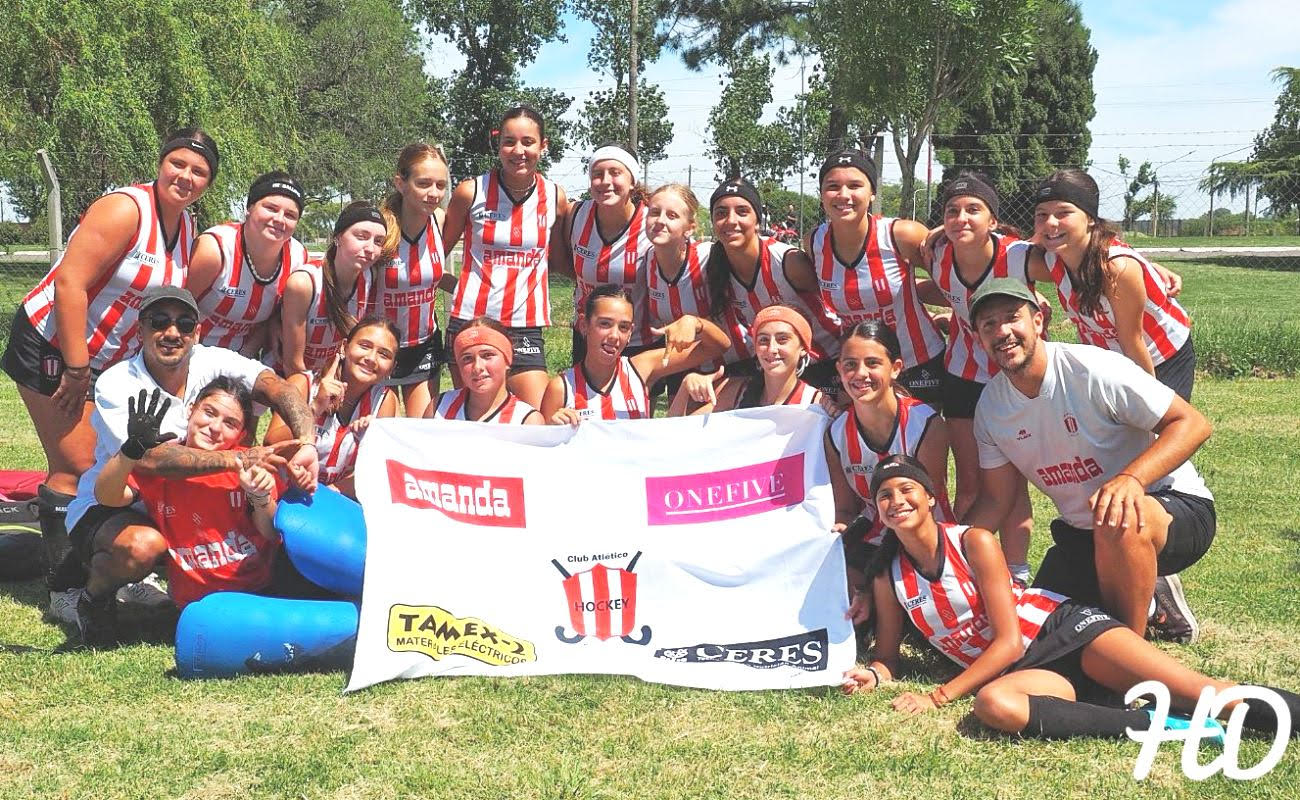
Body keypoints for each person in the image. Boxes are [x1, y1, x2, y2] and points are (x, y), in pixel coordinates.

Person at [842, 454, 1300, 744]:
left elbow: (1007, 641)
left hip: (1063, 631)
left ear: (929, 497)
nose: (896, 500)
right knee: (995, 706)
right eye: (885, 495)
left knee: (1209, 696)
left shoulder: (972, 541)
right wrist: (875, 674)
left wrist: (939, 696)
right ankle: (1159, 725)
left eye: (906, 489)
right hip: (1024, 671)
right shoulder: (889, 575)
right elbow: (888, 656)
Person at [2, 128, 217, 608]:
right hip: (53, 345)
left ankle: (116, 568)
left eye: (199, 171)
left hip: (106, 360)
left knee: (114, 461)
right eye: (178, 163)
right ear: (161, 162)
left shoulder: (185, 228)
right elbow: (70, 283)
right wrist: (77, 369)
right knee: (76, 466)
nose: (185, 176)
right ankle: (64, 590)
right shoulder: (126, 210)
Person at [964, 278, 1214, 643]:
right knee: (1038, 632)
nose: (1002, 332)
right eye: (989, 324)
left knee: (1118, 517)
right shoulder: (991, 408)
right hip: (1084, 536)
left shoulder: (1093, 369)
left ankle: (1133, 649)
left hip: (1172, 507)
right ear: (979, 339)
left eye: (1012, 317)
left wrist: (1132, 479)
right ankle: (1154, 598)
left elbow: (1192, 424)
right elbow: (997, 500)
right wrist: (950, 544)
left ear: (1038, 321)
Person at [64, 286, 317, 645]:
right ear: (140, 329)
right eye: (159, 321)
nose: (172, 332)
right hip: (118, 500)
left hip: (183, 500)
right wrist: (239, 457)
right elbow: (150, 461)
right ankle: (94, 597)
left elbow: (277, 387)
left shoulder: (210, 361)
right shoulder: (117, 382)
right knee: (143, 546)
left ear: (196, 333)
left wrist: (307, 442)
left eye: (184, 324)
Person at [928, 173, 1038, 586]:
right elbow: (937, 287)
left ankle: (1017, 572)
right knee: (971, 482)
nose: (961, 218)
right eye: (952, 211)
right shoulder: (937, 255)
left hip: (1013, 377)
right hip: (963, 375)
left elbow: (1078, 254)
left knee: (1013, 483)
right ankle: (966, 573)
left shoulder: (1020, 256)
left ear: (993, 220)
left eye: (973, 209)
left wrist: (1143, 264)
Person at [92, 379, 284, 613]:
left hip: (257, 595)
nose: (215, 427)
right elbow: (107, 497)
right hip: (193, 604)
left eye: (230, 423)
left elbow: (271, 532)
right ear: (190, 409)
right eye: (209, 413)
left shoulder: (249, 465)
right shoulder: (163, 465)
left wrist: (260, 496)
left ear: (242, 433)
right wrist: (130, 452)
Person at [1027, 169, 1195, 400]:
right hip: (1108, 360)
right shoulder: (1051, 258)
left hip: (1159, 356)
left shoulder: (1116, 268)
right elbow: (1000, 255)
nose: (1050, 223)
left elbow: (1133, 343)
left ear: (1090, 218)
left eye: (1063, 212)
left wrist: (1150, 405)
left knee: (1156, 423)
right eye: (1042, 215)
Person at [442, 105, 567, 409]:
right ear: (498, 145)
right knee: (476, 420)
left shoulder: (555, 197)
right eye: (509, 142)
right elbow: (434, 257)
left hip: (524, 325)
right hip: (471, 321)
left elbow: (561, 261)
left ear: (543, 146)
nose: (518, 151)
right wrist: (458, 288)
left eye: (528, 142)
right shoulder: (470, 192)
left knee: (538, 418)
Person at [824, 322, 952, 602]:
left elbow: (923, 512)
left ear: (895, 368)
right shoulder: (836, 434)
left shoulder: (925, 424)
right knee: (834, 588)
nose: (860, 374)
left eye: (872, 363)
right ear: (839, 370)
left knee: (881, 592)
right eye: (850, 365)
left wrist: (876, 573)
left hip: (926, 539)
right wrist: (836, 540)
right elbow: (845, 509)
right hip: (875, 537)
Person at [809, 150, 947, 403]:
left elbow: (954, 282)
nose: (843, 195)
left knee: (921, 429)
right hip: (861, 370)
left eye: (855, 185)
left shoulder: (900, 235)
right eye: (833, 186)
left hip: (917, 362)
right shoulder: (814, 242)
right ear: (821, 194)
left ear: (872, 192)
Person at [704, 177, 841, 386]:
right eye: (721, 213)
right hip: (780, 366)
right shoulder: (717, 269)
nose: (731, 220)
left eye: (742, 211)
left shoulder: (788, 262)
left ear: (758, 221)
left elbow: (836, 307)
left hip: (827, 361)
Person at [541, 284, 731, 423]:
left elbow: (719, 346)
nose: (614, 335)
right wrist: (553, 425)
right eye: (604, 324)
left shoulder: (640, 368)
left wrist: (695, 323)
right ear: (584, 325)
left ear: (631, 332)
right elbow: (544, 450)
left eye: (623, 327)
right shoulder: (561, 388)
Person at [266, 316, 399, 499]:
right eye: (364, 346)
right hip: (281, 495)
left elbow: (379, 470)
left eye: (384, 354)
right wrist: (314, 409)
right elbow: (271, 445)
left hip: (333, 501)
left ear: (392, 368)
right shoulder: (303, 384)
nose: (371, 358)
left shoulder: (383, 401)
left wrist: (329, 494)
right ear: (344, 347)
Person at [189, 171, 308, 358]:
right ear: (249, 208)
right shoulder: (216, 249)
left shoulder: (298, 258)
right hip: (193, 353)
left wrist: (244, 362)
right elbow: (175, 306)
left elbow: (273, 317)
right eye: (271, 208)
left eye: (290, 215)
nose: (279, 219)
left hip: (244, 358)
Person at [553, 145, 653, 362]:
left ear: (632, 180)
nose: (606, 181)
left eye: (615, 173)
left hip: (636, 343)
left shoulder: (652, 223)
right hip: (587, 337)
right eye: (598, 174)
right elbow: (560, 262)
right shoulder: (575, 214)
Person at [375, 143, 453, 418]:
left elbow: (430, 276)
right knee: (383, 430)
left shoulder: (439, 220)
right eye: (423, 184)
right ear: (401, 183)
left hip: (423, 345)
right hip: (380, 347)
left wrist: (472, 291)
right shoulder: (380, 229)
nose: (434, 193)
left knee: (423, 430)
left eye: (440, 185)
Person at [277, 201, 387, 376]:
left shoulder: (370, 277)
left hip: (329, 378)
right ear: (338, 238)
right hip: (286, 378)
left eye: (378, 241)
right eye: (361, 237)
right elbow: (292, 365)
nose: (370, 248)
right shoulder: (304, 283)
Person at [670, 303, 822, 414]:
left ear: (803, 347)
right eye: (763, 340)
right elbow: (678, 436)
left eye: (782, 339)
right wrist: (685, 387)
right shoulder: (737, 393)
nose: (772, 349)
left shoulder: (816, 403)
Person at [427, 318, 543, 424]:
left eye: (487, 355)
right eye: (467, 358)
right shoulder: (439, 407)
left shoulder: (526, 420)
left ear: (508, 359)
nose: (477, 367)